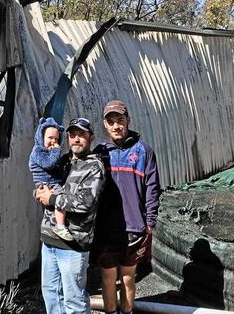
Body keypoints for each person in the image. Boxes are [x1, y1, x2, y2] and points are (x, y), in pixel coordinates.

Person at [93, 100, 161, 314]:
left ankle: (127, 312)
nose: (116, 126)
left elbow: (152, 187)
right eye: (110, 122)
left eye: (120, 120)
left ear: (128, 120)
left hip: (134, 227)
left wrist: (150, 221)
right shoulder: (100, 152)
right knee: (108, 278)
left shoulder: (143, 151)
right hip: (106, 228)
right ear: (105, 125)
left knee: (128, 278)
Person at [35, 117, 105, 314]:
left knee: (74, 300)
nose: (76, 139)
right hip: (49, 239)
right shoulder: (62, 160)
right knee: (50, 294)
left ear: (91, 137)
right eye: (72, 135)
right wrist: (40, 193)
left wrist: (52, 199)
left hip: (73, 243)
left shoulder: (94, 167)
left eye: (81, 135)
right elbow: (45, 181)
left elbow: (86, 203)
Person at [29, 117, 73, 240]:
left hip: (50, 182)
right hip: (47, 183)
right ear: (41, 137)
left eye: (56, 139)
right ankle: (60, 225)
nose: (53, 141)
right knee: (61, 198)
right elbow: (49, 164)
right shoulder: (38, 151)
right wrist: (57, 151)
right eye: (50, 138)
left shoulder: (48, 151)